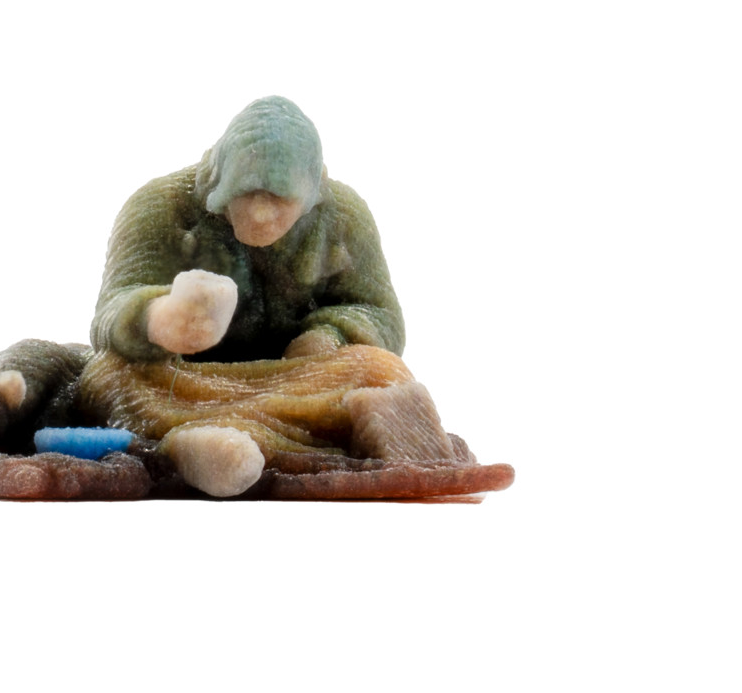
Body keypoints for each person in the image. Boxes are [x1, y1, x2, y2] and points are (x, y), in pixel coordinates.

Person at [75, 96, 458, 496]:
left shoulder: (344, 217)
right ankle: (186, 449)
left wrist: (330, 335)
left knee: (381, 369)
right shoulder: (161, 205)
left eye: (278, 198)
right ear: (218, 179)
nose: (260, 214)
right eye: (246, 193)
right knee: (107, 374)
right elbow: (109, 313)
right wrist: (158, 318)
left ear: (314, 189)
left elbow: (381, 313)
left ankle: (199, 443)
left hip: (298, 380)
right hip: (183, 380)